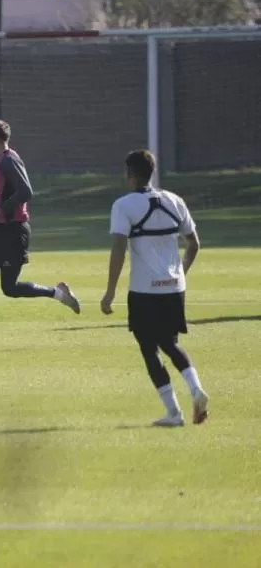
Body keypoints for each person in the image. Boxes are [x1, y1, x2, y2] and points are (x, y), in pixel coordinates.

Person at [100, 149, 209, 427]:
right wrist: (179, 274)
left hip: (144, 291)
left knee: (149, 348)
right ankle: (196, 389)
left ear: (130, 174)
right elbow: (194, 243)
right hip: (174, 289)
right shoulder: (175, 200)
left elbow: (118, 249)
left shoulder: (123, 206)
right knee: (170, 344)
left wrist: (110, 292)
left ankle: (174, 412)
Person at [0, 120, 81, 351]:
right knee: (9, 288)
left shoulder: (9, 160)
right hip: (6, 228)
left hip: (9, 229)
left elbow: (26, 191)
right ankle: (58, 293)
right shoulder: (0, 161)